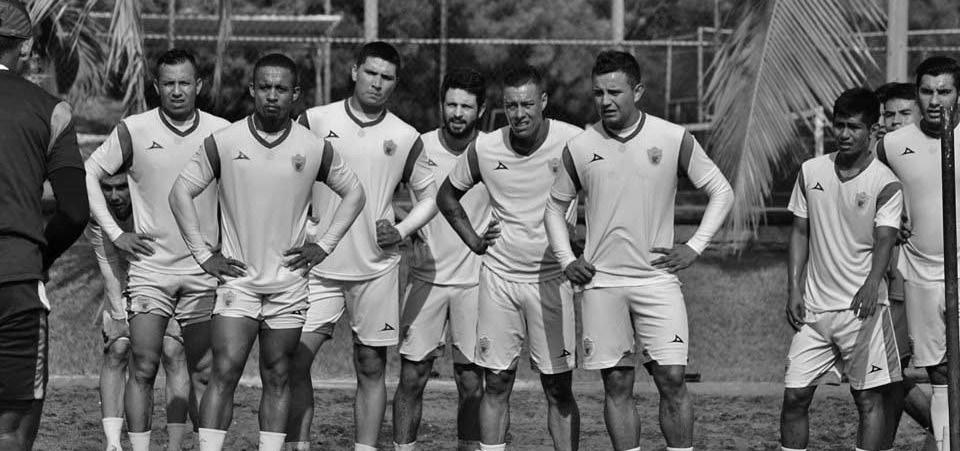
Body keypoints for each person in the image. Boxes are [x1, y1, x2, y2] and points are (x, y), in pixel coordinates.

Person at [169, 53, 365, 451]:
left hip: (288, 284)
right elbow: (179, 193)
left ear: (295, 94)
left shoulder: (313, 147)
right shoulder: (225, 142)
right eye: (264, 87)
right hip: (238, 283)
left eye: (281, 88)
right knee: (224, 371)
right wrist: (204, 256)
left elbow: (355, 193)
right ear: (252, 90)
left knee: (278, 376)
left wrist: (323, 245)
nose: (272, 96)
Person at [545, 51, 733, 451]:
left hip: (657, 279)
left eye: (615, 91)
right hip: (602, 284)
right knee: (617, 383)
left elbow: (721, 190)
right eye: (598, 93)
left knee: (672, 379)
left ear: (638, 91)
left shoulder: (673, 138)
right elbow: (554, 208)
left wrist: (695, 246)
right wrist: (567, 259)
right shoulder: (580, 147)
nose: (605, 100)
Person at [289, 41, 437, 451]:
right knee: (294, 360)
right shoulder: (315, 120)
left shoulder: (405, 136)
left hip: (375, 270)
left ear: (395, 83)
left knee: (371, 366)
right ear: (355, 72)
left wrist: (402, 230)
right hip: (317, 266)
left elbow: (430, 198)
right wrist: (301, 224)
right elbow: (289, 173)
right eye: (371, 73)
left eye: (387, 77)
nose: (377, 83)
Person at [84, 48, 230, 451]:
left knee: (204, 371)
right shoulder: (134, 129)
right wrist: (116, 233)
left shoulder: (222, 131)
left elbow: (243, 192)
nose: (177, 91)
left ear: (198, 85)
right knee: (143, 366)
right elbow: (89, 172)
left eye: (185, 83)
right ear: (156, 86)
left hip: (203, 271)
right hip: (150, 272)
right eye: (169, 83)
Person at [437, 64, 582, 451]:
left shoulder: (574, 142)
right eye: (512, 105)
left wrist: (585, 240)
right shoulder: (486, 148)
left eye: (527, 104)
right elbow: (446, 196)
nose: (519, 114)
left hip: (551, 281)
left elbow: (607, 189)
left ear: (543, 102)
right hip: (499, 280)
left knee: (558, 386)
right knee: (496, 382)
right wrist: (474, 241)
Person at [780, 88, 903, 451]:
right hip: (815, 311)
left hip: (863, 311)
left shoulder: (885, 183)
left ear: (873, 130)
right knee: (794, 396)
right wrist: (794, 288)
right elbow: (799, 232)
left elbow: (885, 239)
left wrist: (872, 283)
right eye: (839, 125)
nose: (844, 134)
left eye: (854, 127)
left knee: (867, 400)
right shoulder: (810, 171)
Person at [0, 1, 89, 449]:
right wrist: (39, 256)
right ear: (26, 46)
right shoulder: (50, 109)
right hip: (16, 277)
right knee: (11, 430)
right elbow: (74, 212)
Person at [391, 68, 491, 451]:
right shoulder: (418, 146)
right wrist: (404, 223)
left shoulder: (492, 150)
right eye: (451, 104)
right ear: (441, 105)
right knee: (412, 377)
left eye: (466, 106)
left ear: (481, 110)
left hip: (475, 282)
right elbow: (380, 188)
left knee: (471, 380)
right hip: (426, 279)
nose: (457, 113)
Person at [876, 56, 960, 451]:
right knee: (939, 373)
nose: (935, 100)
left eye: (944, 91)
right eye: (927, 91)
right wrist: (891, 216)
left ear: (958, 94)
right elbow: (870, 187)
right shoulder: (892, 145)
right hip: (920, 272)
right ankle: (943, 445)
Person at [85, 173, 196, 451]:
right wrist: (119, 317)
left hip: (165, 273)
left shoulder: (154, 202)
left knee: (172, 349)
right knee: (117, 347)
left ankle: (174, 445)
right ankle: (114, 444)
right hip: (122, 275)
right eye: (107, 188)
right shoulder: (97, 213)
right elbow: (108, 260)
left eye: (121, 187)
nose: (114, 196)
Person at [873, 82, 934, 449]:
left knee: (896, 370)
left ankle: (942, 428)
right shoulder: (879, 155)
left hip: (919, 276)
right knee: (885, 372)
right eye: (888, 114)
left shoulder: (932, 152)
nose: (894, 121)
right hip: (887, 276)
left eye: (903, 113)